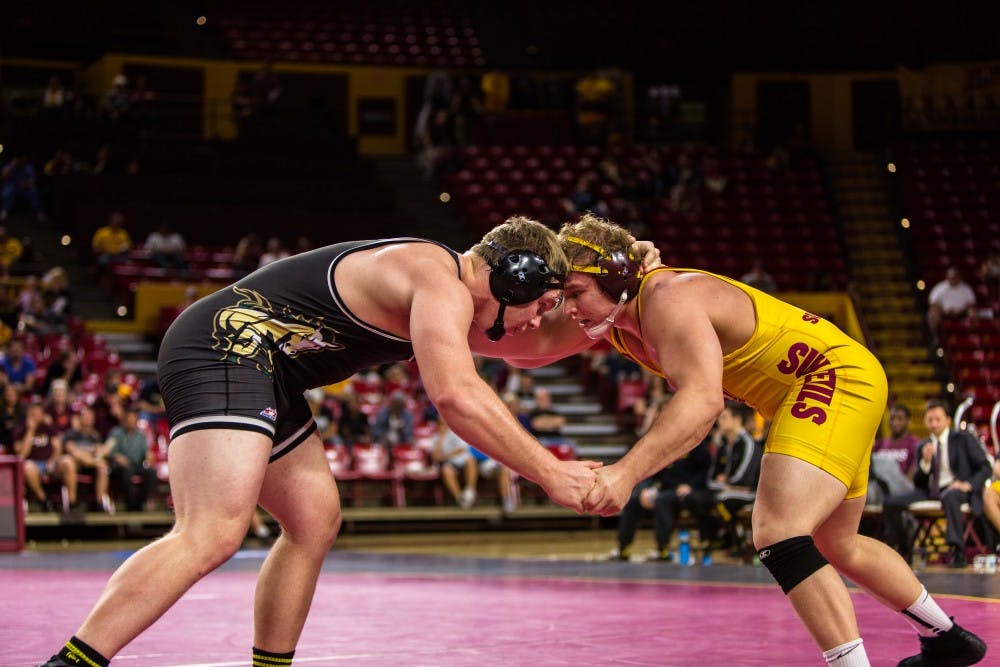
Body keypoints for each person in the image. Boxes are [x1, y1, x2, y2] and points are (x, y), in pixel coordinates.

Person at [38, 218, 650, 666]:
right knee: (213, 531)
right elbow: (457, 396)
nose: (543, 318)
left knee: (313, 521)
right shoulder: (434, 281)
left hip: (264, 367)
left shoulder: (450, 296)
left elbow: (534, 351)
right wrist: (551, 472)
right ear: (513, 279)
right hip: (222, 345)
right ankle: (71, 665)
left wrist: (621, 304)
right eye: (542, 304)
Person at [487, 215, 987, 667]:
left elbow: (704, 403)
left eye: (574, 294)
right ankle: (947, 638)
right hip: (833, 380)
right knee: (838, 542)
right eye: (561, 298)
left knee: (779, 532)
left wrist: (624, 473)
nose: (566, 308)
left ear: (618, 278)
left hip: (829, 378)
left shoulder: (667, 297)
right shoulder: (619, 321)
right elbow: (523, 353)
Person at [882, 399, 992, 568]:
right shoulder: (923, 445)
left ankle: (957, 551)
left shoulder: (962, 439)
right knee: (890, 503)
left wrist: (968, 485)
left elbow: (985, 467)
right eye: (930, 420)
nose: (933, 424)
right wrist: (925, 464)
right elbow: (918, 482)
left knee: (950, 496)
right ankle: (904, 549)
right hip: (930, 490)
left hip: (958, 488)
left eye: (937, 419)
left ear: (948, 420)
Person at [613, 432, 713, 562]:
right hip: (665, 489)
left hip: (687, 492)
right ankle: (623, 547)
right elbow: (652, 471)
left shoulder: (698, 443)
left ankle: (662, 549)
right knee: (633, 499)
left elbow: (705, 472)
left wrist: (691, 486)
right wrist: (645, 489)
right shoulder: (666, 445)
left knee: (662, 501)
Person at [926, 267, 976, 345]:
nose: (953, 279)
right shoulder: (940, 288)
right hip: (944, 312)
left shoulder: (966, 288)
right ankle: (935, 337)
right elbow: (933, 304)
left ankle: (974, 335)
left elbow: (971, 304)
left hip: (962, 313)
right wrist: (943, 310)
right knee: (932, 314)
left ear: (959, 277)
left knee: (973, 313)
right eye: (951, 278)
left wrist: (961, 310)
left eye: (955, 277)